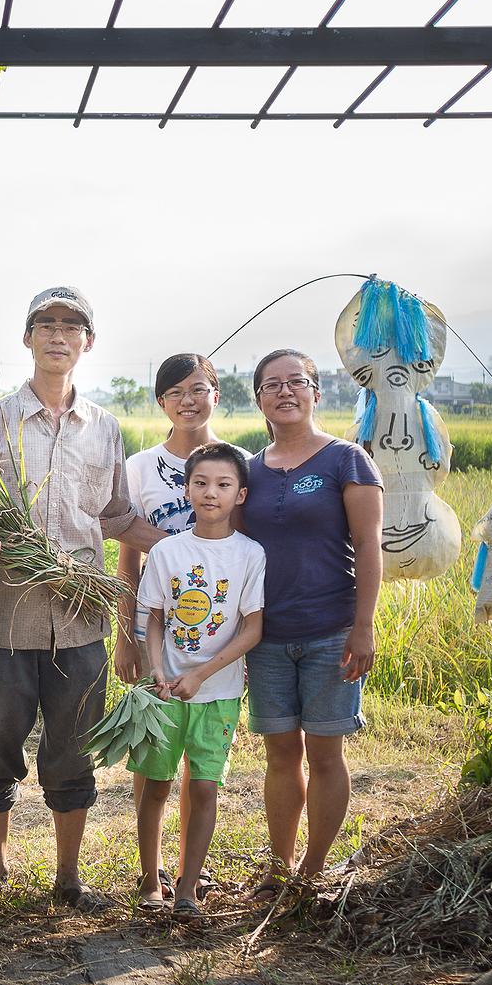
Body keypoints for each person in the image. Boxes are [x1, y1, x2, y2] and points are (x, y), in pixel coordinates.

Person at [0, 285, 164, 911]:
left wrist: (195, 547)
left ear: (87, 343)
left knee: (74, 752)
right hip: (7, 616)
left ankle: (68, 878)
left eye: (71, 326)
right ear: (27, 338)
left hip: (80, 621)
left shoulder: (105, 428)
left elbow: (114, 515)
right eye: (45, 323)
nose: (57, 334)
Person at [238, 348, 383, 895]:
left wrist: (363, 625)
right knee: (280, 753)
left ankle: (314, 868)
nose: (285, 392)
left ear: (316, 393)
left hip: (331, 631)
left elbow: (370, 545)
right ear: (258, 400)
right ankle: (279, 866)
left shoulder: (346, 459)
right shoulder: (248, 470)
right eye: (272, 384)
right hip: (267, 637)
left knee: (325, 752)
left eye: (296, 382)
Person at [115, 353, 247, 904]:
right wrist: (126, 634)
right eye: (175, 392)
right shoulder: (140, 467)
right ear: (161, 402)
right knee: (155, 755)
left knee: (202, 767)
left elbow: (244, 556)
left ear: (216, 394)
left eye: (198, 389)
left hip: (219, 636)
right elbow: (126, 559)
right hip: (158, 632)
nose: (188, 400)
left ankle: (189, 874)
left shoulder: (242, 462)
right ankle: (151, 872)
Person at [133, 443, 265, 916]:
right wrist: (157, 667)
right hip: (165, 693)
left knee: (204, 787)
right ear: (187, 489)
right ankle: (151, 879)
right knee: (156, 784)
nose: (212, 493)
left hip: (219, 693)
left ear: (241, 494)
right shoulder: (168, 551)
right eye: (202, 483)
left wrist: (201, 674)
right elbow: (152, 616)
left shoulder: (250, 555)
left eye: (224, 485)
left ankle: (188, 888)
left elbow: (253, 628)